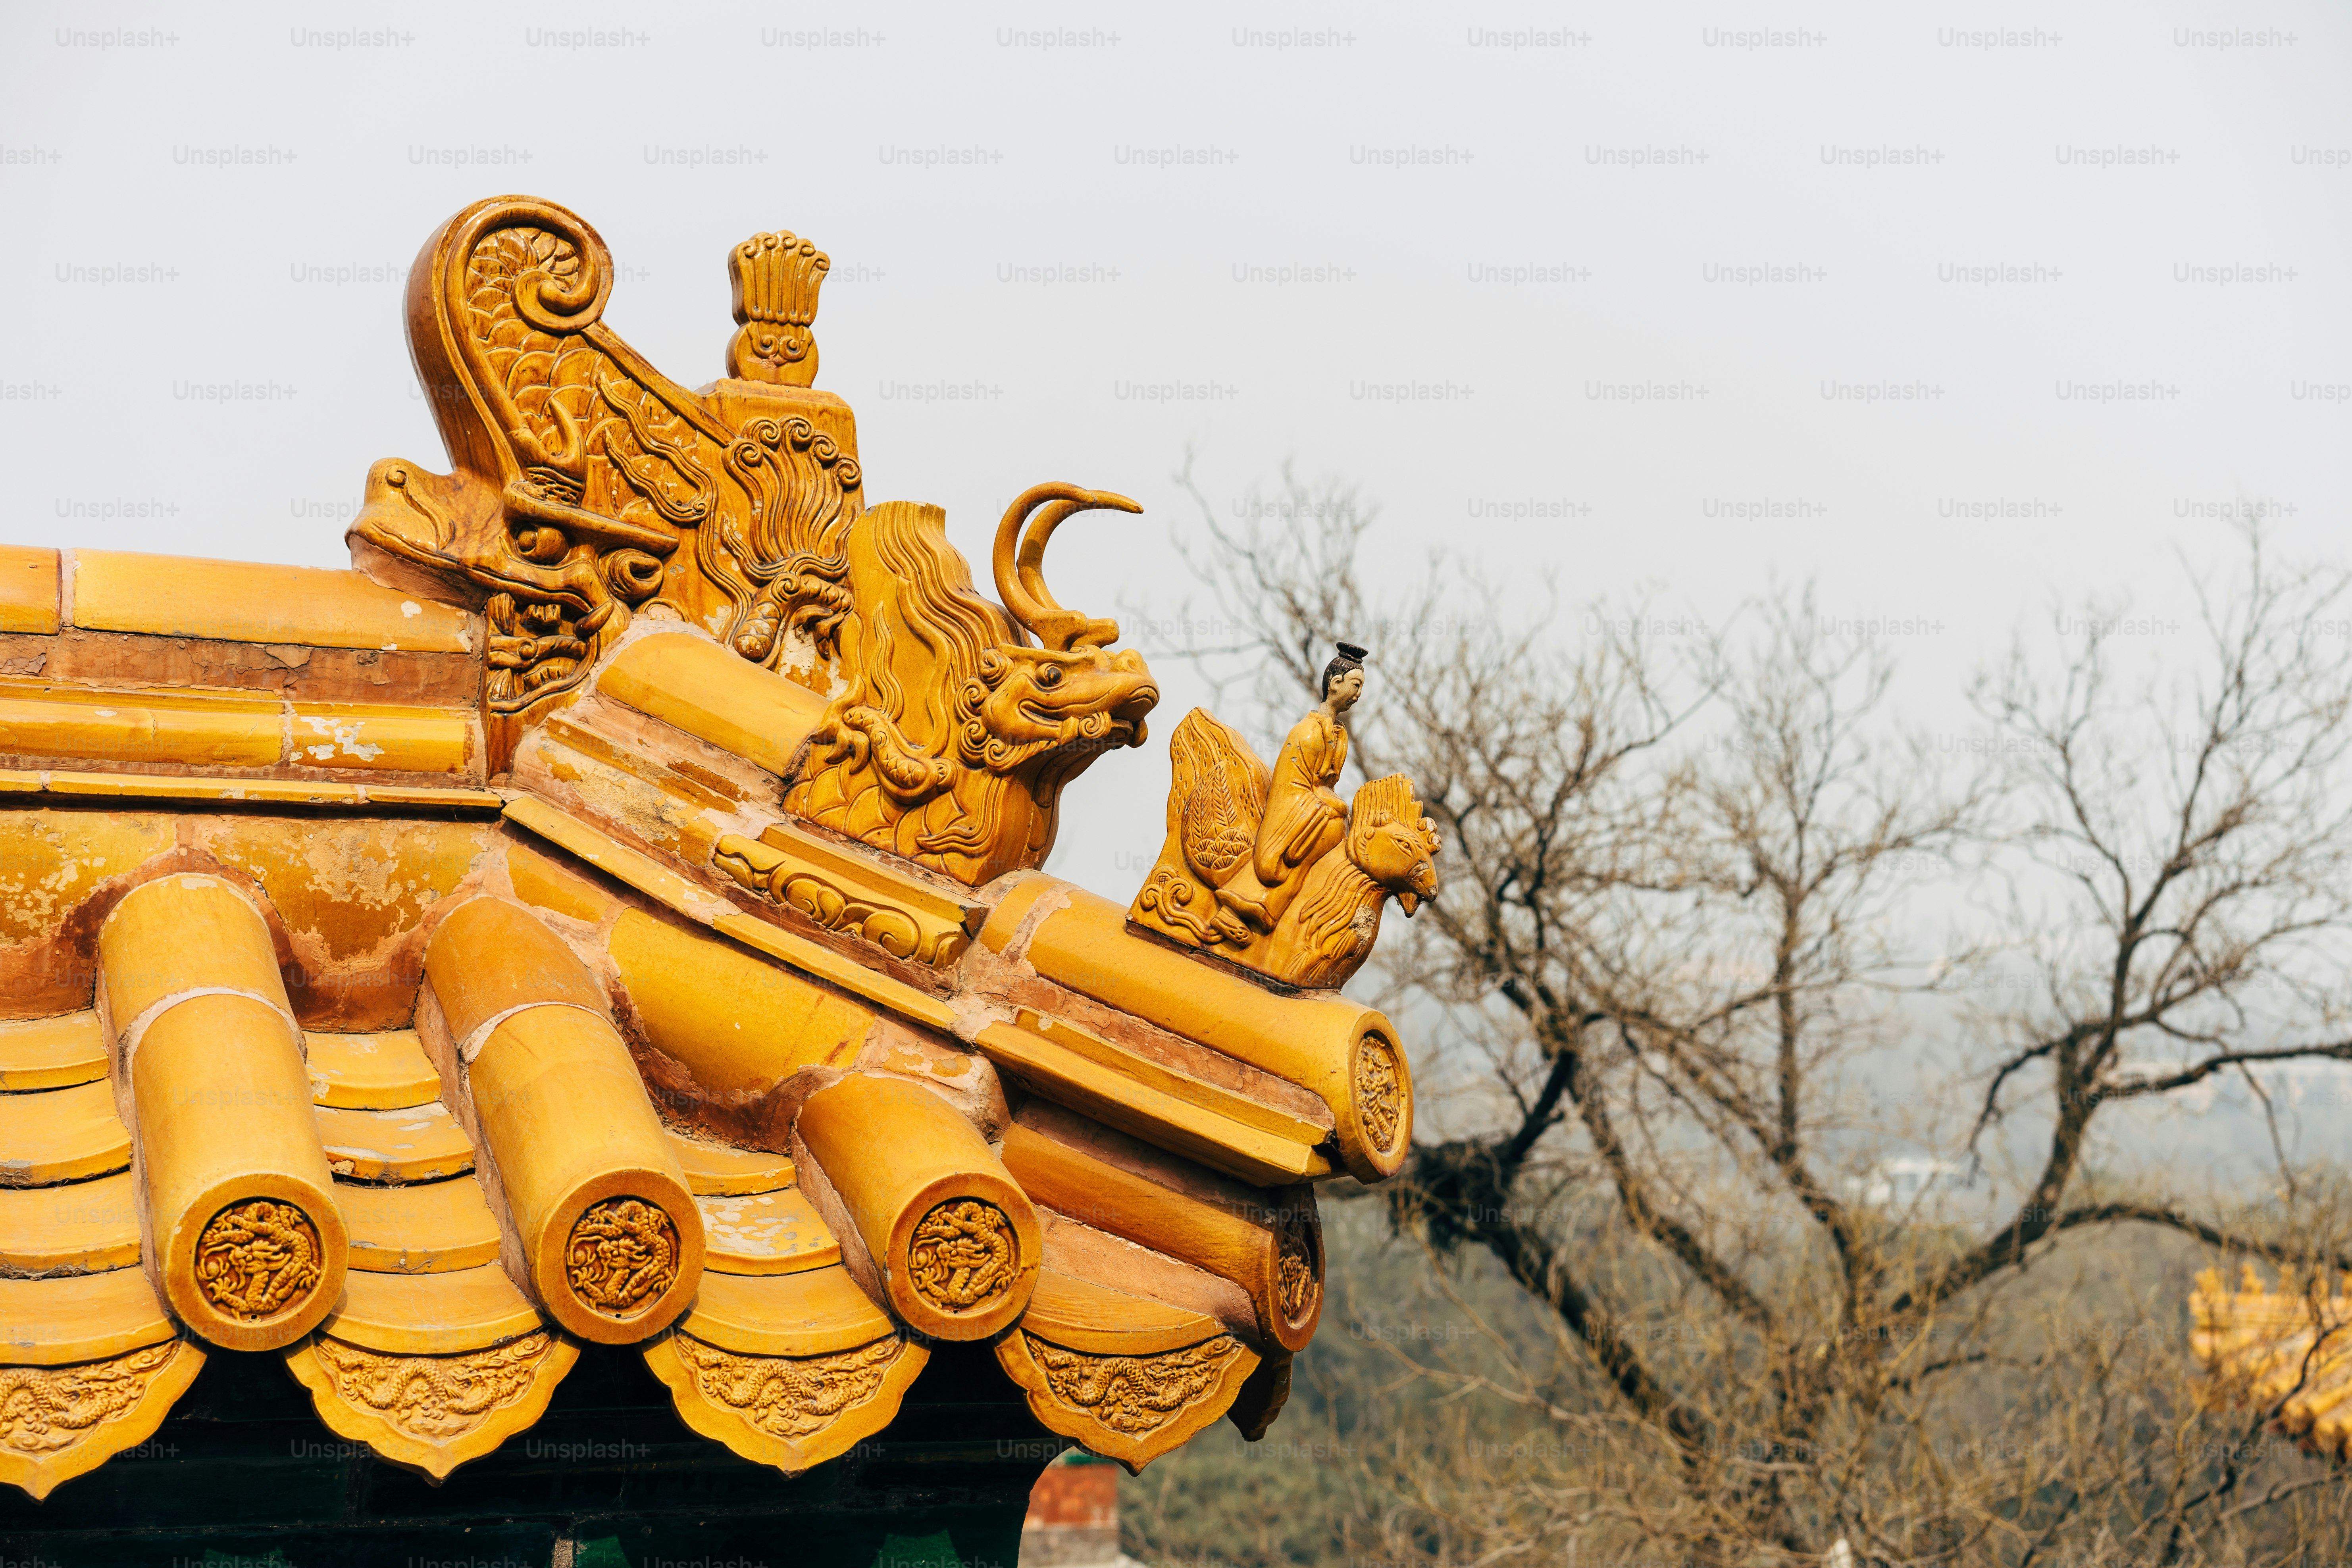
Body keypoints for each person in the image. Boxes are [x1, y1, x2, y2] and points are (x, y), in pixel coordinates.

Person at [1217, 642, 1366, 933]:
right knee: (1328, 830)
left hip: (1320, 813)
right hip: (1297, 815)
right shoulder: (1307, 733)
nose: (1359, 695)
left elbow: (1327, 785)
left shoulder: (1339, 735)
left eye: (1362, 688)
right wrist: (1327, 803)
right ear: (1336, 684)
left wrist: (1330, 802)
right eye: (1356, 685)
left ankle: (1276, 912)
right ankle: (1242, 906)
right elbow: (1291, 788)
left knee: (1337, 831)